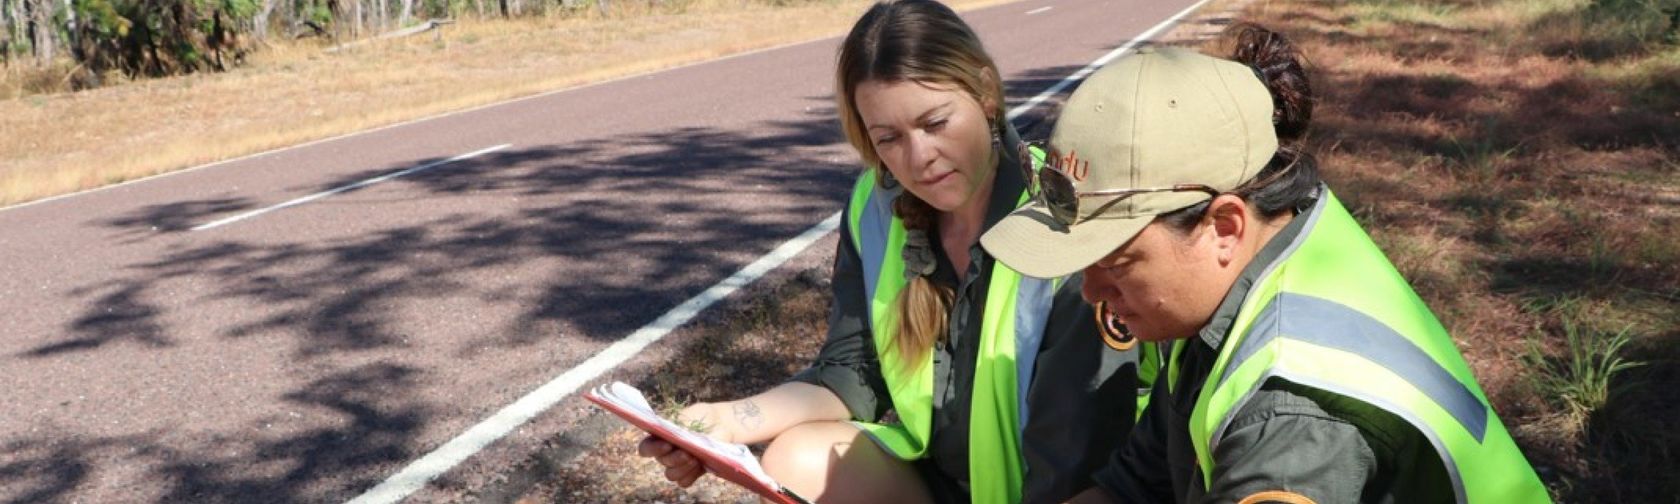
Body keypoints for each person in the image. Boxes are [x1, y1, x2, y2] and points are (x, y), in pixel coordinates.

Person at [978, 25, 1551, 503]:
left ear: (1223, 226)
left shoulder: (1286, 423)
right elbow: (1138, 481)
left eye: (1116, 261)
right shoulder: (1263, 249)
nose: (1089, 292)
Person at [635, 1, 1155, 502]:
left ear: (987, 93)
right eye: (889, 138)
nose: (919, 158)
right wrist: (724, 423)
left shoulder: (1063, 223)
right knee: (796, 459)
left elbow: (1077, 455)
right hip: (942, 481)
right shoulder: (876, 209)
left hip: (1057, 489)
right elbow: (851, 372)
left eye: (935, 123)